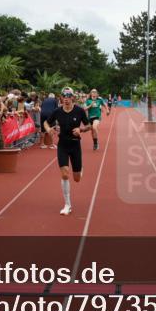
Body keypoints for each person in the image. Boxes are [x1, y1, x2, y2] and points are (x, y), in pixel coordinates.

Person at [42, 87, 89, 215]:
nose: (66, 98)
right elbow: (46, 122)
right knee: (64, 174)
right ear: (61, 98)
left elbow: (88, 125)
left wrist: (81, 130)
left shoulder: (79, 111)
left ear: (72, 97)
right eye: (64, 96)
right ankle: (67, 204)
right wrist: (48, 129)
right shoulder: (57, 111)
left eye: (68, 96)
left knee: (77, 178)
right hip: (62, 145)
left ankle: (79, 169)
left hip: (75, 145)